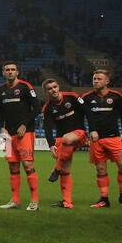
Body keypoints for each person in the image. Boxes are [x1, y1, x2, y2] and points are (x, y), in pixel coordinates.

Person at [82, 68, 122, 210]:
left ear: (107, 81)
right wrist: (90, 130)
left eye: (99, 79)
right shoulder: (86, 97)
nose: (96, 81)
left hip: (114, 138)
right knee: (100, 170)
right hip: (96, 140)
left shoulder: (117, 96)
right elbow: (86, 116)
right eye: (94, 79)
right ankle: (104, 199)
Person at [0, 62, 41, 210]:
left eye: (13, 70)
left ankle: (34, 201)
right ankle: (15, 200)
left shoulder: (25, 87)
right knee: (12, 167)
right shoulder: (0, 90)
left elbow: (37, 108)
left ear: (18, 72)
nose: (10, 72)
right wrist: (2, 128)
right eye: (7, 70)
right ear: (3, 72)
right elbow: (0, 112)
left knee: (28, 165)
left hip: (25, 133)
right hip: (7, 134)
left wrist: (24, 124)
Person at [40, 78, 86, 210]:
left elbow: (87, 111)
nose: (53, 90)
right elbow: (47, 128)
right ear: (46, 91)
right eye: (49, 88)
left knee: (67, 138)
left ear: (58, 86)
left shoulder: (72, 97)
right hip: (61, 138)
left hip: (78, 132)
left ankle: (56, 169)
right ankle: (67, 201)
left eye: (54, 87)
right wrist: (51, 145)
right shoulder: (47, 108)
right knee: (66, 170)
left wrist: (94, 130)